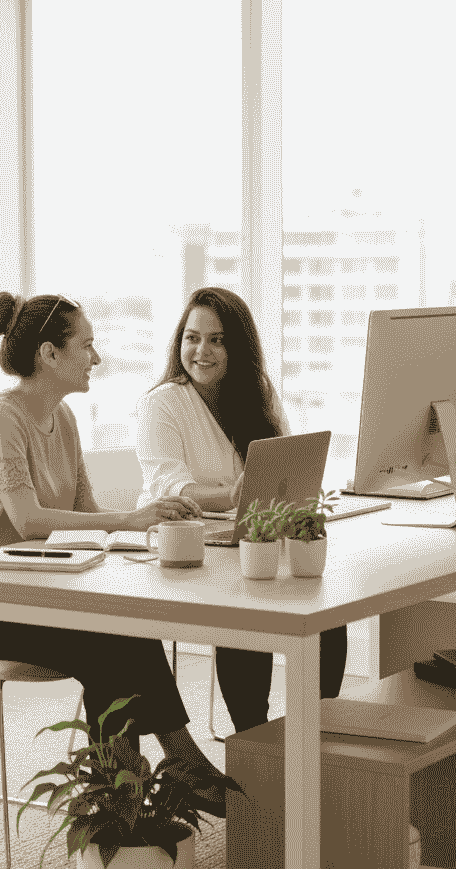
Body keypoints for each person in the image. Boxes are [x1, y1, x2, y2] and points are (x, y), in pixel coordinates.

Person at [0, 291, 226, 810]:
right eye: (87, 345)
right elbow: (29, 520)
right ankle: (157, 776)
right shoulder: (1, 418)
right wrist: (128, 518)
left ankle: (132, 791)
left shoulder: (61, 417)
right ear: (50, 354)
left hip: (30, 589)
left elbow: (85, 513)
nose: (97, 357)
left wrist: (141, 535)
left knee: (121, 627)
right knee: (107, 641)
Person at [136, 286, 347, 733]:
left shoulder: (258, 395)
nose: (201, 351)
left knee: (327, 605)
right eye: (192, 338)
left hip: (247, 540)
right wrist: (235, 495)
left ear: (239, 347)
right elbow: (168, 486)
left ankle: (318, 727)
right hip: (180, 551)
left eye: (217, 339)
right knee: (248, 604)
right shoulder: (163, 403)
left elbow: (287, 463)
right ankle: (254, 736)